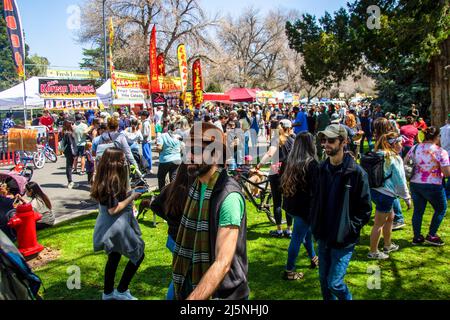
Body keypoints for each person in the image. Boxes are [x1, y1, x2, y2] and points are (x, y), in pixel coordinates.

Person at [172, 122, 249, 300]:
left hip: (225, 294)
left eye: (196, 151)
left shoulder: (228, 196)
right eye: (188, 149)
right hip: (190, 281)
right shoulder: (197, 186)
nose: (189, 156)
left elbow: (223, 263)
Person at [311, 124, 372, 300]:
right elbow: (314, 199)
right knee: (324, 282)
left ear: (344, 142)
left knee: (334, 283)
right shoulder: (321, 169)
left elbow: (365, 209)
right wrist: (314, 222)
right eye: (324, 140)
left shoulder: (356, 173)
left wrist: (350, 228)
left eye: (331, 140)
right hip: (323, 235)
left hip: (343, 238)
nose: (326, 144)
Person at [91, 148, 145, 300]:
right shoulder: (110, 182)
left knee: (114, 257)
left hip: (109, 225)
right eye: (122, 160)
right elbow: (113, 209)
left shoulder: (104, 177)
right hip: (114, 225)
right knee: (138, 252)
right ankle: (121, 290)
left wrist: (130, 193)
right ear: (114, 162)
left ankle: (108, 293)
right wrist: (133, 196)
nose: (125, 162)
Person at [149, 163, 193, 300]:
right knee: (182, 277)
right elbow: (155, 205)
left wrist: (169, 217)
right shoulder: (193, 192)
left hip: (173, 238)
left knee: (182, 273)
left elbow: (155, 205)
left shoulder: (170, 188)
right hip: (184, 240)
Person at [280, 132, 319, 280]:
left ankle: (314, 258)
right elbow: (316, 190)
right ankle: (289, 270)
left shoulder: (288, 161)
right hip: (304, 208)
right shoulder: (312, 164)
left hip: (292, 206)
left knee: (306, 235)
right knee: (297, 237)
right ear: (310, 145)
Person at [368, 133, 411, 259]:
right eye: (399, 142)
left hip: (374, 191)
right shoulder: (394, 158)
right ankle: (373, 252)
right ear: (392, 144)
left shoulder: (376, 154)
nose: (401, 145)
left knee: (390, 217)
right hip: (385, 194)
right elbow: (400, 180)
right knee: (378, 223)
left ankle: (388, 244)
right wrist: (407, 198)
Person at [405, 127, 450, 246]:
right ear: (437, 137)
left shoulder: (415, 148)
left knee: (418, 211)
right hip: (433, 185)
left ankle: (417, 237)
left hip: (415, 183)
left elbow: (405, 162)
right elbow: (447, 173)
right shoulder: (441, 152)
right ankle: (432, 235)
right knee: (441, 208)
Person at [256, 119, 294, 238]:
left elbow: (270, 154)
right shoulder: (293, 140)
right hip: (289, 173)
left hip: (276, 172)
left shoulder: (276, 139)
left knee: (277, 202)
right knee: (288, 202)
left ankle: (279, 230)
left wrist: (259, 165)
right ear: (289, 128)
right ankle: (288, 230)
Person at [156, 123, 182, 191]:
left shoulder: (162, 136)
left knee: (161, 177)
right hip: (177, 159)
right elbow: (181, 147)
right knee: (173, 178)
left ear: (167, 128)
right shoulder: (178, 136)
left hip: (165, 160)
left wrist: (156, 148)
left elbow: (159, 148)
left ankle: (162, 194)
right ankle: (173, 193)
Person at [61, 121, 77, 189]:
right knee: (69, 166)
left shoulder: (65, 132)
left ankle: (70, 181)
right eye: (72, 124)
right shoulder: (68, 134)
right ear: (70, 125)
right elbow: (71, 145)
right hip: (70, 151)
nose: (73, 125)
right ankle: (70, 182)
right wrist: (74, 153)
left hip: (67, 151)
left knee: (69, 166)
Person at [440, 114, 450, 199]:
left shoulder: (441, 129)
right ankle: (447, 192)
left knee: (442, 173)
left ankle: (442, 190)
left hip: (442, 153)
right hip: (449, 153)